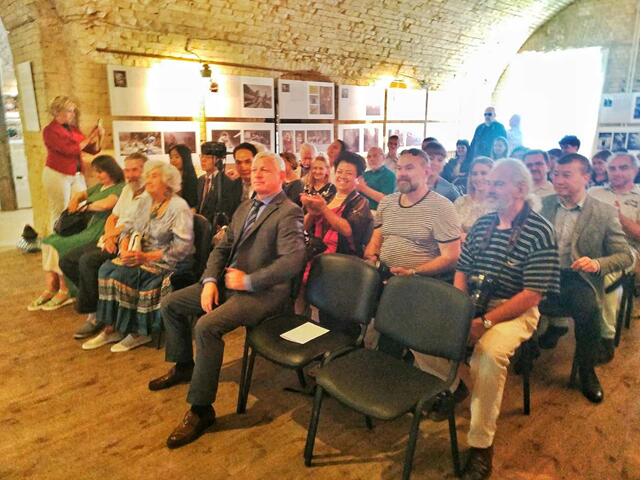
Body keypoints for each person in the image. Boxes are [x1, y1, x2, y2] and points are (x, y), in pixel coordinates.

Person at [148, 151, 305, 449]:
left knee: (206, 327)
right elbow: (221, 248)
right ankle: (184, 365)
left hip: (262, 293)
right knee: (171, 304)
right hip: (228, 283)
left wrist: (249, 281)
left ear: (282, 176)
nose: (257, 173)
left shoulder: (289, 211)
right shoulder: (246, 206)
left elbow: (293, 261)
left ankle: (201, 410)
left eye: (265, 169)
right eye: (254, 169)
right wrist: (209, 281)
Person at [454, 159, 560, 480]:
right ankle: (460, 385)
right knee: (420, 330)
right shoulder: (483, 224)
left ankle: (481, 445)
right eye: (489, 182)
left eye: (498, 183)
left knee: (488, 356)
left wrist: (483, 323)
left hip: (515, 309)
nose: (488, 188)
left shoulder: (540, 231)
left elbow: (531, 295)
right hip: (473, 302)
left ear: (521, 189)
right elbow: (462, 270)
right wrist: (460, 309)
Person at [538, 153, 633, 404]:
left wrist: (596, 264)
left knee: (589, 309)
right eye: (556, 174)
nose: (558, 180)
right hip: (542, 273)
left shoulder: (603, 212)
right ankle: (526, 352)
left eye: (566, 175)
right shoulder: (542, 205)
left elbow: (625, 256)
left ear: (586, 177)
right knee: (513, 297)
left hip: (578, 277)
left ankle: (586, 370)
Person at [82, 161, 195, 352]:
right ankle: (112, 327)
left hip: (169, 259)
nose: (147, 180)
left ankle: (138, 332)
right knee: (106, 269)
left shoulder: (178, 207)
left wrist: (146, 257)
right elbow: (130, 227)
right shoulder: (146, 201)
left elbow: (182, 247)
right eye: (147, 175)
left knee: (124, 274)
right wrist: (125, 247)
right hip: (142, 253)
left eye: (154, 176)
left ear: (167, 182)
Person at [364, 148, 461, 353]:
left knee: (390, 340)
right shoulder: (388, 202)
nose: (402, 173)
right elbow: (378, 235)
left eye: (409, 168)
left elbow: (452, 256)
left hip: (420, 284)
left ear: (427, 172)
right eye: (399, 168)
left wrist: (414, 272)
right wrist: (371, 255)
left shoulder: (441, 207)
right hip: (385, 276)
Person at [60, 153, 148, 339]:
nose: (130, 175)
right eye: (127, 170)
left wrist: (112, 236)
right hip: (111, 238)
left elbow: (136, 224)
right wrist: (108, 236)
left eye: (135, 170)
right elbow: (112, 217)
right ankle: (99, 304)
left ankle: (95, 315)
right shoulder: (127, 190)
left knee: (88, 261)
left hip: (128, 242)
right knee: (67, 260)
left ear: (145, 170)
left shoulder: (150, 193)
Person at [28, 155, 124, 311]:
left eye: (100, 172)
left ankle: (65, 290)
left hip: (99, 229)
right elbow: (80, 194)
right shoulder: (100, 187)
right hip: (87, 226)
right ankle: (51, 286)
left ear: (111, 170)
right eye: (96, 172)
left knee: (58, 243)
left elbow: (107, 204)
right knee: (48, 241)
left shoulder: (120, 187)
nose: (97, 175)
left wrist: (85, 206)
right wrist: (75, 200)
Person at [588, 152, 640, 362]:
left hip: (626, 250)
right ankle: (555, 324)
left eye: (623, 168)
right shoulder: (594, 192)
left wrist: (619, 217)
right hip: (590, 246)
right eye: (612, 168)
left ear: (635, 170)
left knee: (605, 272)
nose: (616, 172)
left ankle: (606, 336)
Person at [42, 96, 104, 230]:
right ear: (57, 112)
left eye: (73, 111)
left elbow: (92, 150)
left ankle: (75, 236)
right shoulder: (49, 131)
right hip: (57, 174)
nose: (73, 114)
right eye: (69, 111)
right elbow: (70, 150)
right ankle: (56, 241)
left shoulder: (73, 130)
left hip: (76, 174)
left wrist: (99, 136)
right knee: (60, 210)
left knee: (81, 205)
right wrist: (90, 137)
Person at [302, 151, 373, 259]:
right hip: (314, 252)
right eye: (339, 172)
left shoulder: (361, 202)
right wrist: (311, 213)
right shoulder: (327, 197)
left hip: (341, 259)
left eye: (349, 173)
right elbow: (304, 227)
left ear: (358, 178)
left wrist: (323, 208)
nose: (342, 176)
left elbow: (348, 230)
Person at [453, 157, 494, 240]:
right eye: (474, 174)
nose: (478, 178)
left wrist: (467, 237)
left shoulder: (500, 205)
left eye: (483, 173)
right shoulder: (460, 201)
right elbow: (451, 229)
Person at [168, 144, 199, 210]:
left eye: (177, 157)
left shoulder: (192, 179)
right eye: (171, 157)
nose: (173, 160)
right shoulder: (168, 178)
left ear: (185, 158)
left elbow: (193, 203)